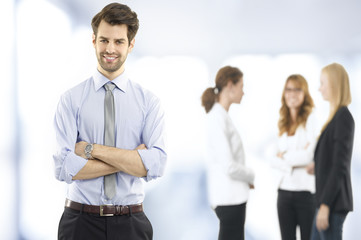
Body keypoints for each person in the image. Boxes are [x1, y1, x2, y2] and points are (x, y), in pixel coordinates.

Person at [53, 3, 167, 240]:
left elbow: (155, 166)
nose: (110, 48)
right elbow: (64, 168)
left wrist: (91, 150)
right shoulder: (71, 100)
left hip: (131, 224)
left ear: (131, 44)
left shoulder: (149, 103)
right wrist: (131, 159)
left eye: (119, 41)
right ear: (93, 40)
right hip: (79, 223)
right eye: (104, 40)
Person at [201, 66, 255, 240]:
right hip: (229, 199)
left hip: (232, 197)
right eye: (242, 86)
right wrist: (250, 175)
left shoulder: (222, 116)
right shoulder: (217, 117)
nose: (243, 92)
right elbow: (229, 166)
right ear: (231, 85)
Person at [308, 63, 355, 240]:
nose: (319, 89)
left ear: (334, 84)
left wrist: (326, 205)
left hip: (331, 204)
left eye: (322, 83)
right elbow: (333, 158)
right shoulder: (335, 117)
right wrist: (317, 164)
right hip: (325, 202)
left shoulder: (343, 118)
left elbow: (339, 165)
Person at [271, 74, 318, 240]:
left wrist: (283, 156)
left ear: (304, 93)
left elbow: (309, 155)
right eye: (288, 89)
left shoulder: (311, 119)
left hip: (305, 193)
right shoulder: (281, 122)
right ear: (284, 93)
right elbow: (271, 157)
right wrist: (291, 160)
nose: (292, 94)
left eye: (297, 89)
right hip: (284, 193)